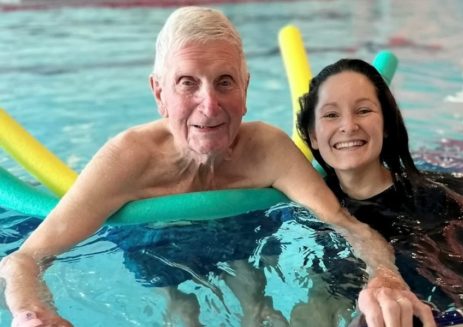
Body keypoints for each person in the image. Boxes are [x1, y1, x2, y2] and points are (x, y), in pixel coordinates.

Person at [0, 7, 436, 327]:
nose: (209, 105)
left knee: (258, 307)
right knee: (181, 314)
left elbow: (345, 224)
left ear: (245, 89)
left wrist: (385, 277)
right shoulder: (127, 161)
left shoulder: (268, 149)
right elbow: (24, 258)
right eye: (187, 83)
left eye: (224, 82)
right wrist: (33, 314)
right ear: (159, 92)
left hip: (241, 238)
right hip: (153, 246)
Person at [296, 58, 463, 326]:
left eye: (363, 110)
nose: (348, 126)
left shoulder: (435, 201)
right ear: (313, 135)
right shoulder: (302, 208)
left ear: (386, 126)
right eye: (330, 115)